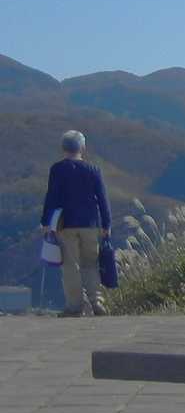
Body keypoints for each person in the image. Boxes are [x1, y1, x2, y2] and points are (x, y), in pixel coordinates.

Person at [39, 130, 112, 317]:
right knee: (91, 264)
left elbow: (51, 196)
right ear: (82, 148)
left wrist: (46, 222)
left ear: (63, 148)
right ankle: (97, 302)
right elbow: (102, 198)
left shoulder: (57, 169)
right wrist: (106, 224)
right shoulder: (93, 170)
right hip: (91, 224)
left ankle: (75, 306)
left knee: (70, 266)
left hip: (66, 225)